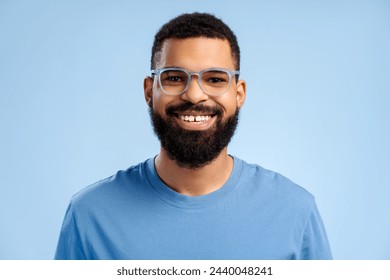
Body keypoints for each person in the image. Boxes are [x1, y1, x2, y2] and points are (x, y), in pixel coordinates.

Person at [55, 12, 332, 260]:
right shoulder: (90, 215)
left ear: (239, 94)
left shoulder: (295, 211)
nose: (195, 95)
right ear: (149, 92)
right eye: (174, 78)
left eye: (215, 79)